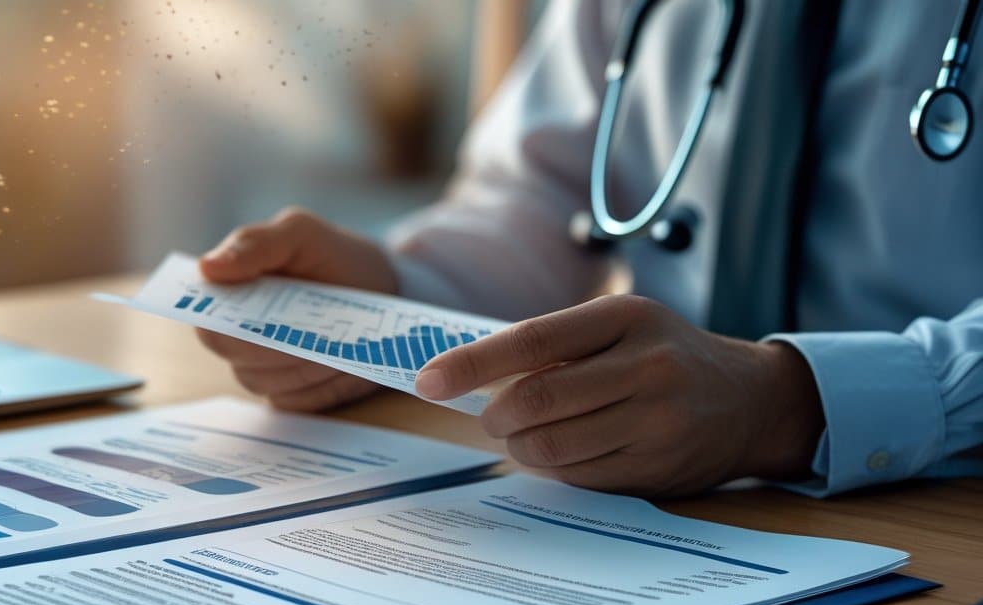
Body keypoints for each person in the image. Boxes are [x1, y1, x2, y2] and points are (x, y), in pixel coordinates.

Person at [194, 0, 983, 498]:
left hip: (940, 510)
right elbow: (539, 192)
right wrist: (393, 287)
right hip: (654, 496)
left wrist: (794, 403)